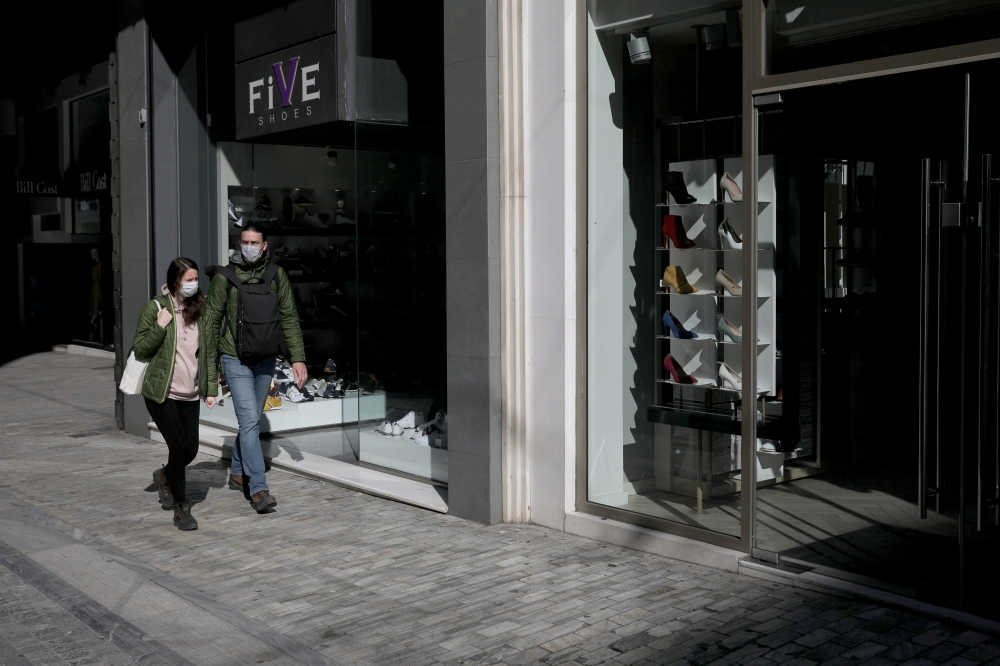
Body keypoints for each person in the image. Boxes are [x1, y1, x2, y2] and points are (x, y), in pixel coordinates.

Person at [204, 222, 307, 513]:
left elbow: (289, 317)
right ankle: (258, 489)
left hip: (266, 358)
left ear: (264, 246)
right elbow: (210, 324)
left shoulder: (276, 275)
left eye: (254, 243)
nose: (248, 247)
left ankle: (238, 472)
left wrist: (297, 358)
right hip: (234, 357)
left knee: (251, 420)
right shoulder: (224, 277)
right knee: (249, 420)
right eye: (244, 242)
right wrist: (210, 372)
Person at [133, 257, 215, 531]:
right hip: (162, 393)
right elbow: (140, 349)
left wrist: (210, 389)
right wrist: (159, 327)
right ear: (175, 282)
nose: (194, 284)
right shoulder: (156, 307)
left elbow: (208, 353)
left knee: (190, 450)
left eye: (196, 279)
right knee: (178, 448)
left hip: (190, 393)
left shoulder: (200, 309)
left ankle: (164, 475)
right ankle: (182, 508)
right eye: (189, 280)